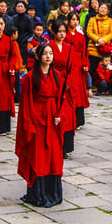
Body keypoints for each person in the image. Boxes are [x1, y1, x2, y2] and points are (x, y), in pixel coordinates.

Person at [15, 44, 64, 207]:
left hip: (52, 119)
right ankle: (38, 194)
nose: (49, 56)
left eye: (51, 53)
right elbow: (26, 103)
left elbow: (60, 99)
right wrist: (29, 124)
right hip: (37, 118)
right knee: (38, 155)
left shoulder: (57, 75)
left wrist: (59, 115)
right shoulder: (29, 77)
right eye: (45, 54)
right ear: (38, 57)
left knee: (53, 155)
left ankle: (53, 192)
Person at [46, 20, 78, 157]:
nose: (62, 34)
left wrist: (69, 82)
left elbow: (74, 67)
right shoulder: (49, 47)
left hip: (67, 83)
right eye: (59, 31)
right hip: (54, 81)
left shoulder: (70, 48)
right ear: (53, 31)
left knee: (68, 114)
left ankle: (66, 146)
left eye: (64, 31)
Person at [65, 11, 90, 126]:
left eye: (76, 20)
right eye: (72, 19)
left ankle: (79, 120)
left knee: (79, 91)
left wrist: (85, 64)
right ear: (68, 21)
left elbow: (85, 51)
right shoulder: (65, 35)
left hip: (79, 64)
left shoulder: (81, 36)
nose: (75, 22)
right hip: (69, 63)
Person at [86, 1, 112, 82]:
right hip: (93, 47)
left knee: (105, 68)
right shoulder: (92, 20)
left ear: (107, 11)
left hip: (105, 48)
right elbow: (89, 32)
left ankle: (104, 85)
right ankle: (93, 85)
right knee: (93, 67)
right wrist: (98, 40)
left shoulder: (110, 21)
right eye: (101, 8)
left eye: (104, 8)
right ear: (98, 9)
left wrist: (103, 40)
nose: (102, 9)